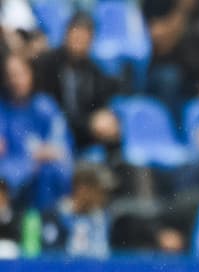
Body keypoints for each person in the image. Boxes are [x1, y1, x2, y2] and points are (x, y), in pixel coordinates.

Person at [32, 12, 120, 151]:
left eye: (86, 37)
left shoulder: (95, 71)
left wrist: (106, 118)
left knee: (112, 129)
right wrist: (89, 124)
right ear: (66, 33)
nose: (80, 40)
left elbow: (100, 104)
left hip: (83, 131)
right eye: (76, 34)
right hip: (54, 128)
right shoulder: (46, 63)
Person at [0, 53, 72, 211]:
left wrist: (38, 157)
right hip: (10, 170)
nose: (16, 81)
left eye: (20, 74)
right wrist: (31, 159)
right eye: (11, 75)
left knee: (50, 172)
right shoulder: (2, 108)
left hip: (41, 174)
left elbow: (60, 149)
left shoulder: (45, 106)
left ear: (31, 73)